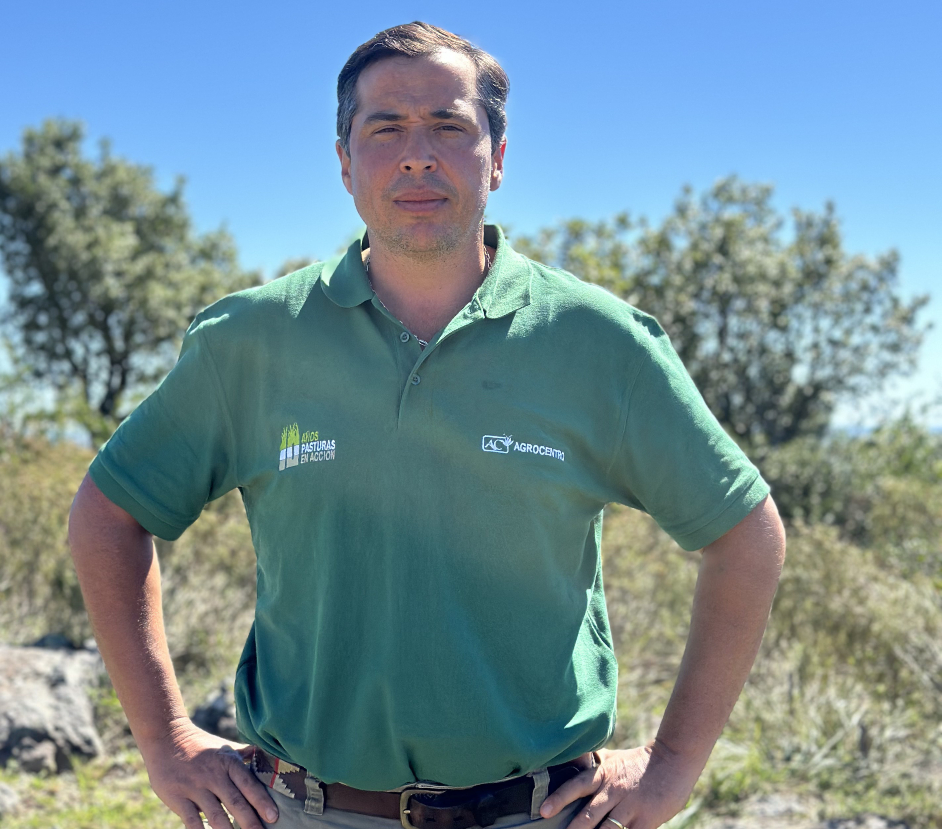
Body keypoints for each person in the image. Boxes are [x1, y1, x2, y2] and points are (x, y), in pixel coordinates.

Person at [68, 21, 785, 829]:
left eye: (448, 126)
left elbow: (745, 536)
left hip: (540, 813)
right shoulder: (250, 342)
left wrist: (672, 762)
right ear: (345, 163)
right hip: (306, 811)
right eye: (385, 129)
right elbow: (109, 513)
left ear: (497, 158)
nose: (417, 155)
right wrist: (165, 738)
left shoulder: (601, 344)